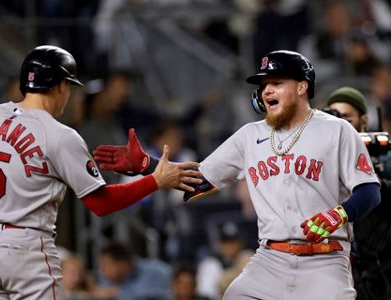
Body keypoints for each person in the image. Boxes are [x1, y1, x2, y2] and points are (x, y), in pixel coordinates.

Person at [92, 50, 381, 299]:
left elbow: (369, 191)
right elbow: (200, 179)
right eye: (264, 85)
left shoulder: (337, 130)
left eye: (277, 83)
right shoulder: (249, 136)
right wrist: (147, 165)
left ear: (303, 87)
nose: (267, 91)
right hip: (272, 259)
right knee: (235, 294)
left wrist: (338, 214)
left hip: (325, 260)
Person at [0, 45, 201, 300]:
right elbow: (101, 203)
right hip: (23, 249)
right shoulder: (59, 134)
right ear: (60, 86)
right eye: (69, 86)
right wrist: (155, 181)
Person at [325, 86, 391, 300]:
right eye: (334, 117)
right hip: (344, 264)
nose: (341, 125)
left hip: (384, 260)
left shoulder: (383, 154)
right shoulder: (322, 159)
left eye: (346, 117)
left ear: (363, 120)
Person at [94, 242, 173, 300]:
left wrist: (119, 294)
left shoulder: (156, 272)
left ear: (123, 264)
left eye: (106, 265)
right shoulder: (107, 279)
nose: (102, 270)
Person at [196, 222, 244, 300]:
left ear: (241, 242)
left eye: (233, 241)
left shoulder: (247, 260)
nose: (230, 246)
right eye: (226, 242)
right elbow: (206, 294)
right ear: (219, 243)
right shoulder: (210, 264)